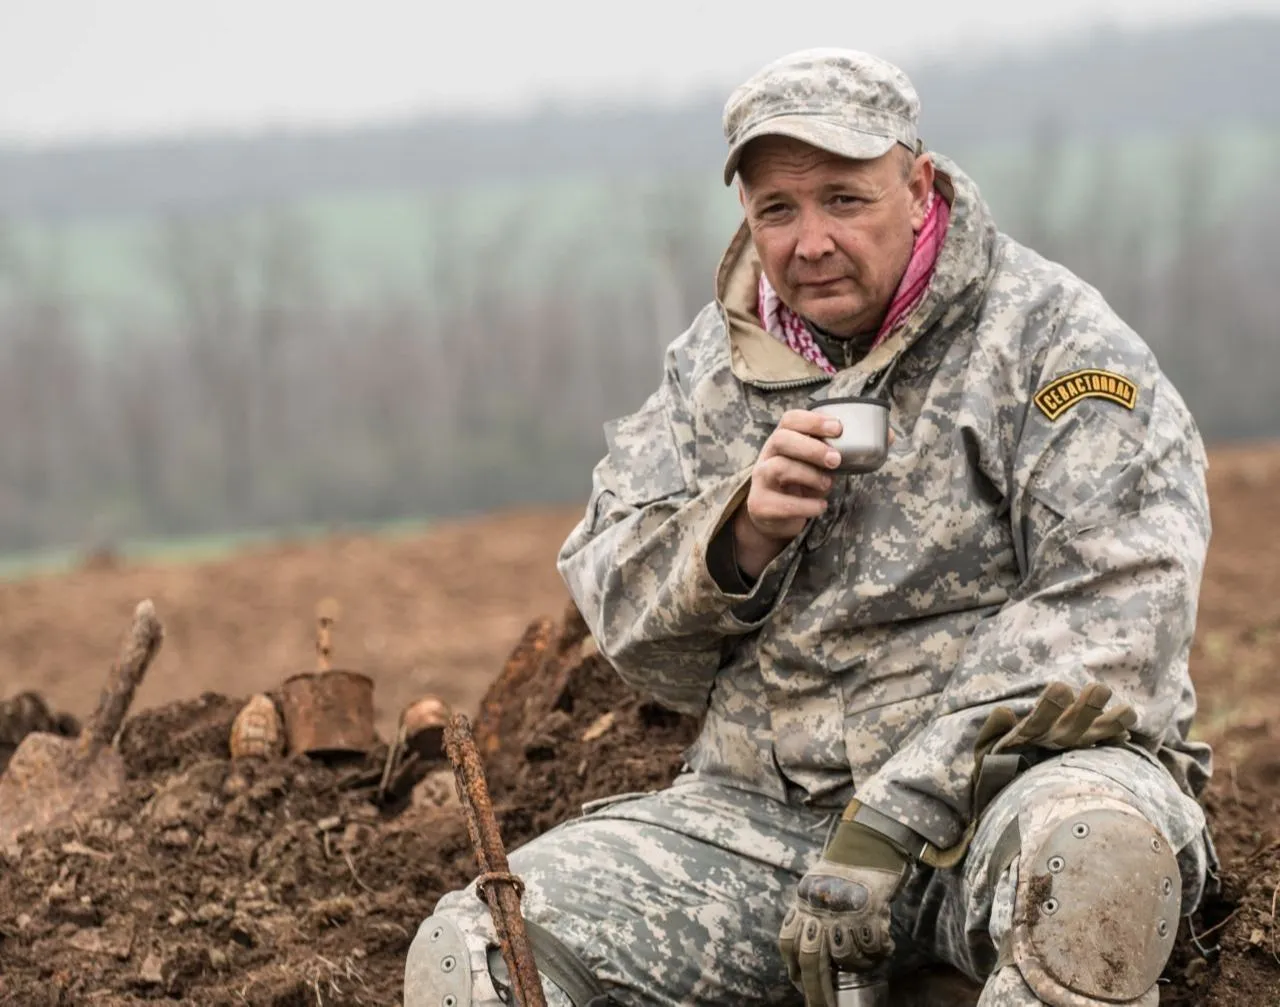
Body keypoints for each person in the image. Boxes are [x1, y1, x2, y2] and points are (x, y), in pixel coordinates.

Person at [405, 48, 1214, 1007]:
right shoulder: (709, 369)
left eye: (845, 199)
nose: (811, 241)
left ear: (917, 186)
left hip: (1010, 798)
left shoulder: (1051, 341)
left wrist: (897, 811)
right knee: (479, 953)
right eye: (777, 210)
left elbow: (1124, 607)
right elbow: (621, 612)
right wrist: (737, 535)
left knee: (1092, 869)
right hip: (765, 822)